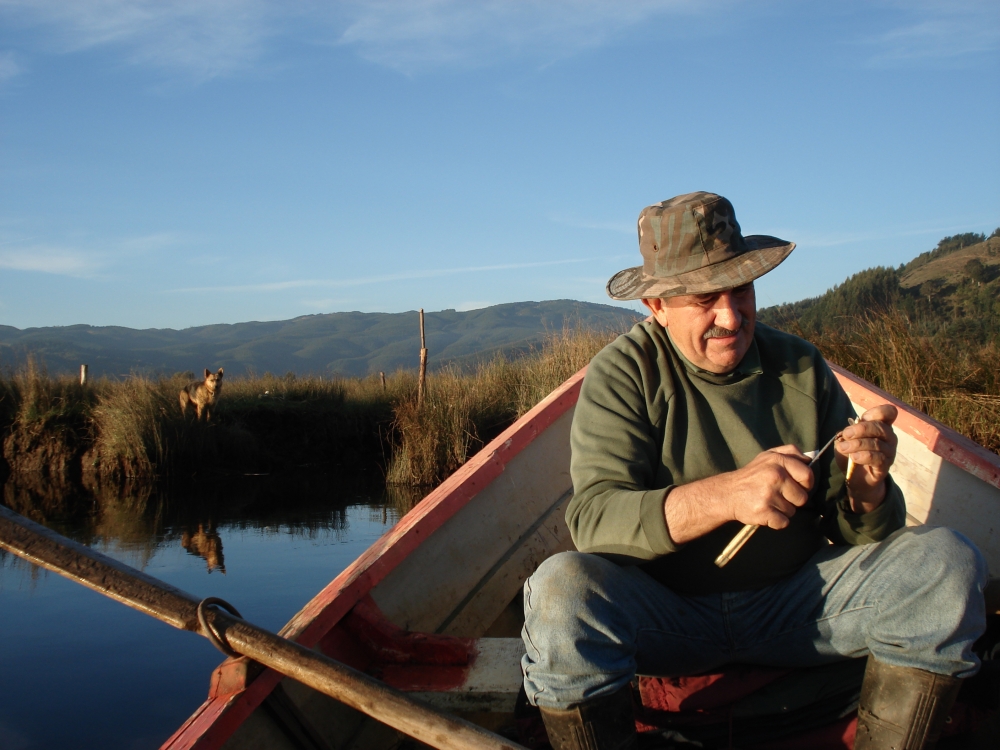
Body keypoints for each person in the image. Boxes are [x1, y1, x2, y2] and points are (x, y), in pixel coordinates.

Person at [520, 192, 988, 750]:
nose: (730, 315)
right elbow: (594, 520)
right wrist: (727, 495)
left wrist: (868, 482)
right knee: (558, 591)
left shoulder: (799, 363)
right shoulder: (623, 373)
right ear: (657, 307)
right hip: (665, 618)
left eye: (740, 289)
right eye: (704, 297)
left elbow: (862, 535)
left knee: (946, 563)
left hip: (797, 608)